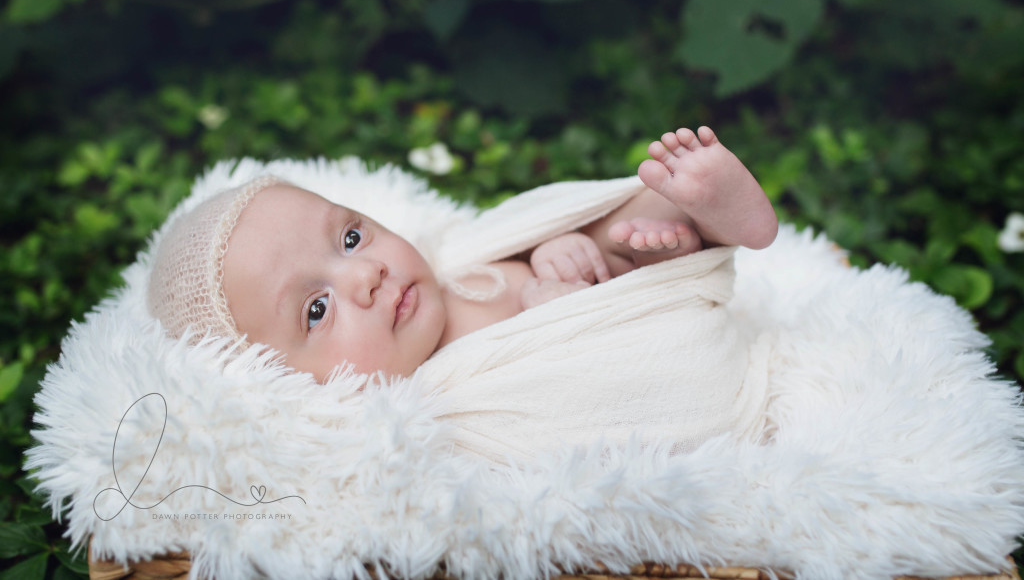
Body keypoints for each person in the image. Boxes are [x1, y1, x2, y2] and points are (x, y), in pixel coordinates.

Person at [147, 126, 777, 383]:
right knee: (649, 300)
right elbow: (555, 408)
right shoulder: (434, 388)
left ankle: (706, 211)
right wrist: (555, 317)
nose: (366, 275)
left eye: (349, 238)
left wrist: (559, 249)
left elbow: (526, 247)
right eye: (315, 310)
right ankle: (673, 270)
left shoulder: (456, 265)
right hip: (638, 350)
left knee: (625, 230)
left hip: (615, 284)